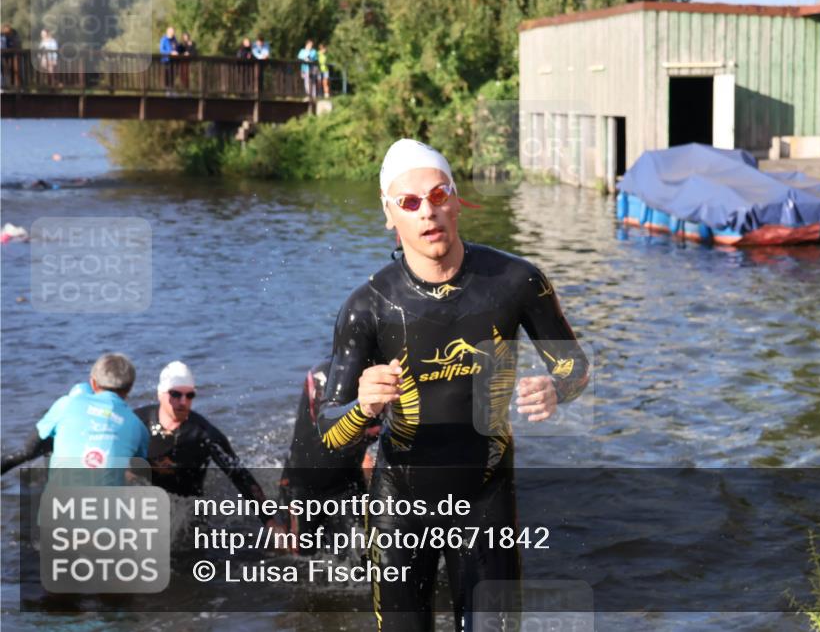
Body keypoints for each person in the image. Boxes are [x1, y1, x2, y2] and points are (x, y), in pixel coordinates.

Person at [316, 139, 590, 630]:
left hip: (486, 496)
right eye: (410, 202)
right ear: (389, 216)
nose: (428, 212)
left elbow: (575, 367)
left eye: (439, 195)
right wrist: (364, 406)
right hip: (400, 500)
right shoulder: (367, 306)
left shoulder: (517, 281)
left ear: (457, 201)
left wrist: (557, 388)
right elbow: (327, 429)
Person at [132, 361, 278, 528]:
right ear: (160, 394)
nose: (182, 401)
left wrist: (270, 522)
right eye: (175, 394)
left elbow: (240, 476)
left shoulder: (204, 435)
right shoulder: (136, 423)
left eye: (189, 395)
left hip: (188, 508)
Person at [277, 358, 379, 554]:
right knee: (297, 562)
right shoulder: (326, 375)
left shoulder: (393, 385)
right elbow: (332, 430)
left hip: (347, 485)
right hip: (302, 486)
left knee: (362, 560)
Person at [1, 354, 148, 480]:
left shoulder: (67, 403)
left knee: (28, 452)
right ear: (130, 388)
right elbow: (137, 468)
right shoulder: (138, 426)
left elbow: (32, 444)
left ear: (93, 383)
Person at [1, 381, 93, 474]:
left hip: (53, 436)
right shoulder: (65, 404)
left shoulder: (67, 403)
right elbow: (42, 431)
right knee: (27, 453)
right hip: (48, 435)